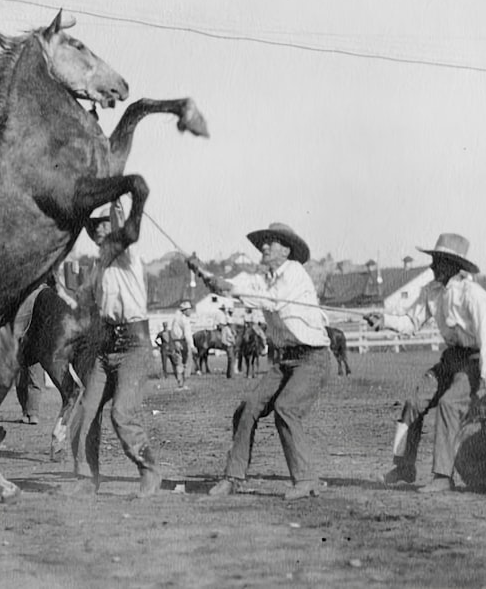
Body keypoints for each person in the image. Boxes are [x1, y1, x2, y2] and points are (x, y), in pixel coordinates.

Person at [187, 222, 332, 501]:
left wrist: (230, 287)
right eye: (263, 242)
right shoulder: (262, 279)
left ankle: (306, 480)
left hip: (313, 358)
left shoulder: (294, 273)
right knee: (247, 409)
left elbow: (272, 301)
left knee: (286, 408)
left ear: (286, 250)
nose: (264, 246)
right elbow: (235, 287)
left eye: (272, 242)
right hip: (286, 359)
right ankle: (233, 478)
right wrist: (205, 274)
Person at [365, 233, 486, 493]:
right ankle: (404, 467)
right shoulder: (431, 292)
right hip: (450, 359)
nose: (432, 266)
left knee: (449, 405)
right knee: (414, 403)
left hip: (474, 361)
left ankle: (442, 476)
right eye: (434, 260)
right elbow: (411, 322)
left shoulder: (473, 294)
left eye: (439, 261)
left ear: (453, 265)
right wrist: (384, 321)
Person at [59, 202, 161, 498]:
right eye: (94, 226)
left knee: (121, 413)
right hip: (107, 347)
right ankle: (86, 477)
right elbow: (82, 302)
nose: (99, 230)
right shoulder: (97, 268)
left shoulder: (126, 255)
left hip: (135, 346)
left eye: (105, 224)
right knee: (84, 412)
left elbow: (124, 231)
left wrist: (118, 206)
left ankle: (150, 471)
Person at [169, 300, 195, 389]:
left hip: (175, 341)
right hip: (182, 342)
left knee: (178, 362)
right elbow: (187, 334)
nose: (190, 311)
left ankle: (180, 383)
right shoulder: (184, 320)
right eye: (189, 309)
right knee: (186, 362)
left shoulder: (176, 318)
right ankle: (182, 384)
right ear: (185, 310)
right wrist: (192, 346)